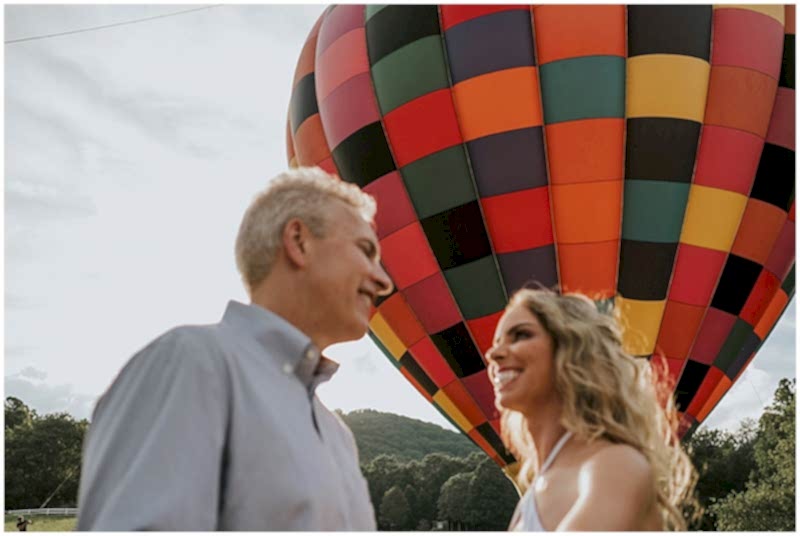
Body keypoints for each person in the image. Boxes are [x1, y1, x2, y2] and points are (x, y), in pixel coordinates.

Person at [77, 167, 393, 530]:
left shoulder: (336, 433)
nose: (383, 280)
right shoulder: (191, 362)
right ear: (299, 241)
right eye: (365, 251)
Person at [485, 289, 698, 531]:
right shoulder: (531, 499)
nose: (493, 354)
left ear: (573, 351)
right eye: (497, 342)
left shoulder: (614, 465)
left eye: (521, 335)